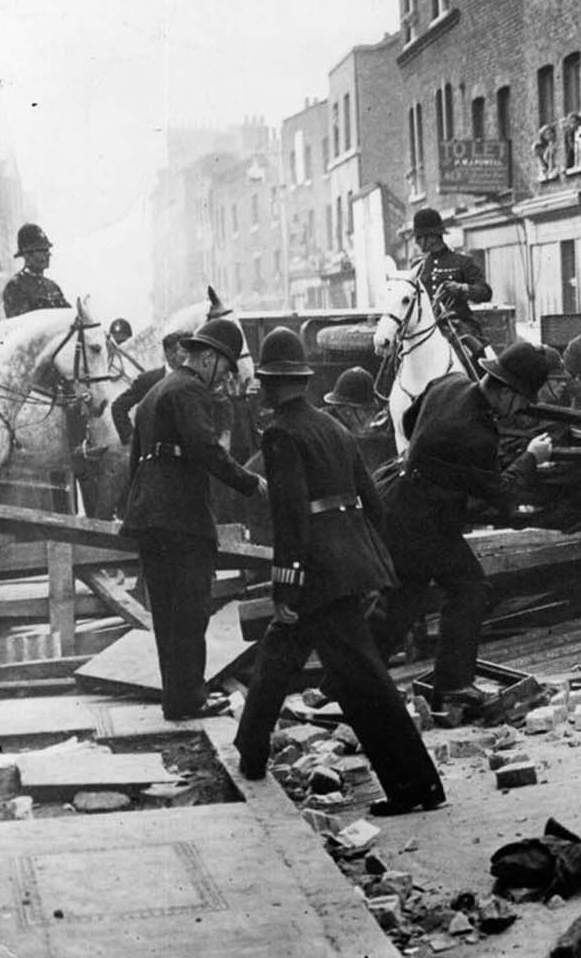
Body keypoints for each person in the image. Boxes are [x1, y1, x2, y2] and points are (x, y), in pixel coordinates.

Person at [232, 329, 445, 816]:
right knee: (281, 653)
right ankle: (251, 750)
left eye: (264, 382)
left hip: (315, 575)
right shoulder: (334, 428)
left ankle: (415, 787)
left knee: (362, 683)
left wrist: (287, 583)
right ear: (302, 380)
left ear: (269, 383)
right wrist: (371, 566)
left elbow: (291, 516)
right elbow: (372, 503)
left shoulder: (280, 433)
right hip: (348, 567)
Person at [373, 342, 555, 710]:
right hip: (424, 523)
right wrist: (531, 458)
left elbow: (409, 422)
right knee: (470, 588)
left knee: (403, 601)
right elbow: (501, 492)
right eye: (521, 402)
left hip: (398, 500)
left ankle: (343, 681)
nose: (520, 411)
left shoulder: (449, 383)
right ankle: (454, 685)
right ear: (505, 392)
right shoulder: (478, 435)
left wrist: (436, 460)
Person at [120, 318, 267, 720]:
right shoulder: (189, 390)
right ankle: (191, 699)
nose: (224, 379)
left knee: (167, 614)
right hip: (180, 516)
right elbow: (206, 449)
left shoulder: (156, 393)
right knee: (190, 610)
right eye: (225, 368)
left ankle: (178, 699)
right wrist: (250, 482)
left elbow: (136, 459)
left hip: (151, 516)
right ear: (207, 358)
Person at [411, 207, 492, 354]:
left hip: (458, 327)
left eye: (419, 237)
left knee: (475, 357)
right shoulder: (418, 267)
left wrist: (462, 288)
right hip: (425, 327)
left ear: (433, 237)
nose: (417, 242)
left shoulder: (462, 262)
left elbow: (485, 292)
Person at [111, 330, 189, 443]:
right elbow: (118, 407)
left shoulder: (199, 379)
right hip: (159, 456)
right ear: (170, 354)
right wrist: (131, 439)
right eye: (185, 352)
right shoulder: (148, 381)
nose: (190, 356)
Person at [323, 365, 397, 473]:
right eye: (366, 410)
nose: (372, 414)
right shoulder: (328, 432)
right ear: (347, 411)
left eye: (372, 409)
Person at [1, 223, 69, 318]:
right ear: (27, 255)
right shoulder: (15, 287)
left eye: (47, 250)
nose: (48, 254)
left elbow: (67, 318)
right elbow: (22, 326)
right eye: (42, 250)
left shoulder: (53, 286)